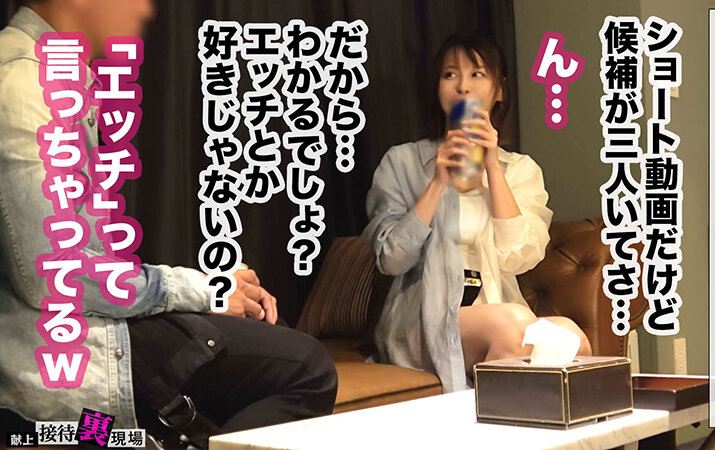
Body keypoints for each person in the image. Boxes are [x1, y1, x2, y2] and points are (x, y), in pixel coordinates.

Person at [0, 1, 336, 448]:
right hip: (47, 395)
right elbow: (57, 275)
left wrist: (210, 292)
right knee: (307, 369)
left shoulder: (55, 75)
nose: (144, 9)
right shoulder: (25, 81)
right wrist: (205, 291)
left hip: (84, 343)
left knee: (268, 336)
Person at [362, 33, 592, 393]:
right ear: (438, 87)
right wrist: (437, 183)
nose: (463, 87)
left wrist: (492, 166)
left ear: (499, 90)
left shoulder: (520, 170)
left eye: (477, 74)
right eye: (450, 74)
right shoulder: (403, 162)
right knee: (512, 324)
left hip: (498, 307)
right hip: (423, 316)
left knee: (574, 340)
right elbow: (391, 259)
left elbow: (520, 257)